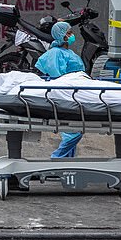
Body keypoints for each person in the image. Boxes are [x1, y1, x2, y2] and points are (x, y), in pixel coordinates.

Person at [35, 20, 86, 158]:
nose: (72, 35)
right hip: (67, 93)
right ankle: (57, 158)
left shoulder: (67, 52)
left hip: (76, 91)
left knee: (73, 130)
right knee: (74, 132)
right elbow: (58, 76)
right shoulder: (56, 53)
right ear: (61, 35)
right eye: (69, 33)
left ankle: (66, 162)